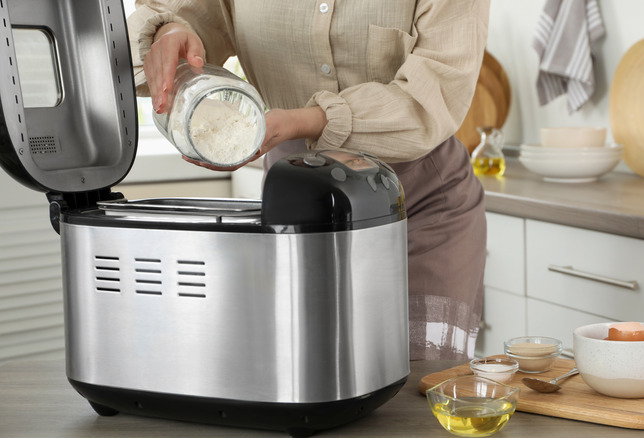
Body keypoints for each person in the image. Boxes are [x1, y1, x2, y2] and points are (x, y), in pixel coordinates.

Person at [128, 0, 489, 360]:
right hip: (295, 203)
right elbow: (186, 17)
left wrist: (307, 122)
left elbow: (434, 93)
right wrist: (171, 31)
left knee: (418, 390)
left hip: (420, 205)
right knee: (307, 371)